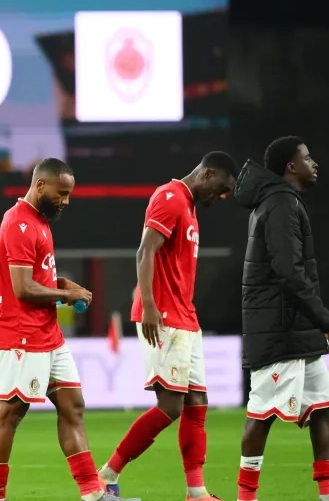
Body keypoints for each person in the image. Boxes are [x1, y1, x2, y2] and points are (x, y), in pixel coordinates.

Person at [100, 151, 239, 500]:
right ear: (207, 174)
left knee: (197, 402)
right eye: (222, 188)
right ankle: (107, 473)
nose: (222, 197)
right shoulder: (169, 197)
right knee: (171, 406)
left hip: (185, 316)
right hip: (163, 315)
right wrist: (148, 305)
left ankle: (196, 492)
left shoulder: (189, 207)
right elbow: (144, 251)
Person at [0, 157, 121, 501]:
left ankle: (92, 492)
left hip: (48, 333)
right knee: (11, 412)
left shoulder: (39, 220)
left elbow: (38, 278)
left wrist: (61, 284)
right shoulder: (19, 222)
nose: (66, 201)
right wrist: (66, 295)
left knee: (73, 405)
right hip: (22, 333)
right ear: (40, 185)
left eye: (69, 194)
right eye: (62, 193)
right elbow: (22, 288)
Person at [231, 137, 329, 501]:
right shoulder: (280, 203)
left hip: (294, 329)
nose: (315, 163)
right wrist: (325, 320)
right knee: (261, 415)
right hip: (278, 331)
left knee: (324, 405)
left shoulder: (280, 201)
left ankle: (328, 495)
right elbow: (289, 272)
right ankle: (246, 497)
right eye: (307, 158)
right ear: (291, 167)